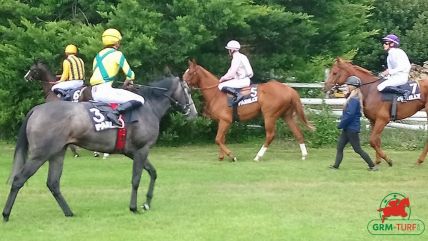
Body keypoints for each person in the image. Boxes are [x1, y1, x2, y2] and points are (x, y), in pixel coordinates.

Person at [90, 28, 145, 125]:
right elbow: (129, 74)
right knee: (140, 99)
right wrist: (128, 81)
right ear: (116, 42)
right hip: (105, 92)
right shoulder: (117, 54)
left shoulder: (97, 56)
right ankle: (115, 113)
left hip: (93, 92)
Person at [330, 76, 378, 171]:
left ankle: (372, 166)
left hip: (351, 129)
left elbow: (350, 115)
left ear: (353, 86)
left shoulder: (354, 99)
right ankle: (336, 166)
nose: (347, 86)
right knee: (340, 147)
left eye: (349, 85)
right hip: (348, 128)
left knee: (358, 149)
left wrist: (341, 124)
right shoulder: (353, 97)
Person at [219, 40, 254, 104]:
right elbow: (230, 71)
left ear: (232, 50)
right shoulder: (242, 56)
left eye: (229, 49)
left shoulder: (236, 58)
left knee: (221, 86)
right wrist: (225, 77)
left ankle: (238, 95)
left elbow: (231, 74)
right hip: (246, 79)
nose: (228, 51)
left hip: (242, 80)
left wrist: (222, 78)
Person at [377, 34, 411, 99]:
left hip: (401, 77)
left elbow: (403, 66)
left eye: (386, 43)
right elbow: (390, 71)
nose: (383, 45)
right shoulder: (389, 55)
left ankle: (404, 92)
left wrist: (389, 72)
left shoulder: (397, 52)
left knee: (380, 87)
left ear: (392, 44)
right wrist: (383, 75)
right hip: (394, 77)